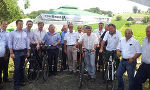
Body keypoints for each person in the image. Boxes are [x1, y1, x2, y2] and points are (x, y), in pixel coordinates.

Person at [8, 20, 30, 90]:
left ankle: (21, 81)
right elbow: (10, 43)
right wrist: (11, 52)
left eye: (22, 24)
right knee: (17, 68)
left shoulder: (24, 33)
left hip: (23, 51)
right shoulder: (12, 33)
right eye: (20, 24)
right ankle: (16, 84)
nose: (21, 25)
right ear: (16, 25)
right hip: (16, 52)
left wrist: (28, 51)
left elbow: (27, 43)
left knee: (21, 67)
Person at [134, 25, 150, 90]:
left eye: (149, 31)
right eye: (147, 31)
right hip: (144, 65)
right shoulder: (144, 39)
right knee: (136, 80)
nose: (148, 33)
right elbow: (143, 50)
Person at [0, 24, 7, 89]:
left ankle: (4, 79)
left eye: (6, 24)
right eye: (3, 24)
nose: (5, 25)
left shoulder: (7, 33)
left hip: (4, 53)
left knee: (4, 67)